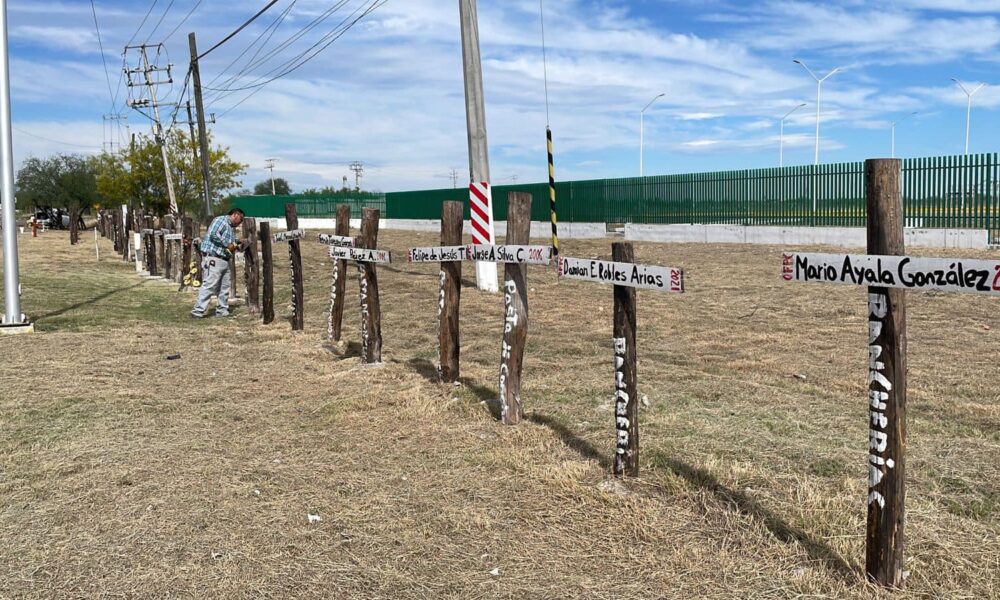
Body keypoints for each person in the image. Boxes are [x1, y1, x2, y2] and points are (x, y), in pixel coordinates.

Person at [191, 208, 245, 318]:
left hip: (224, 259)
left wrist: (237, 244)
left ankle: (222, 311)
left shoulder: (230, 228)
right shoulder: (221, 220)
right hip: (214, 258)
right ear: (235, 215)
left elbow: (231, 245)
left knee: (224, 287)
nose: (240, 223)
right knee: (209, 285)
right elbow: (213, 234)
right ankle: (198, 311)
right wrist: (228, 244)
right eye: (240, 219)